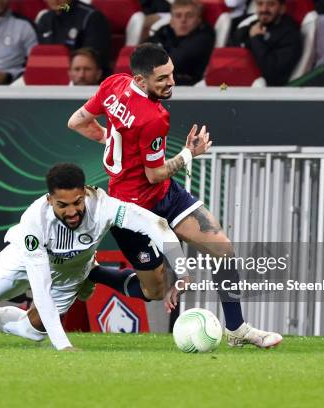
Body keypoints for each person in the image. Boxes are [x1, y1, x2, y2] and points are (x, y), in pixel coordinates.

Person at [67, 43, 282, 349]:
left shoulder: (113, 83)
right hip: (132, 211)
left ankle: (237, 329)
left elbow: (76, 122)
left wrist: (111, 140)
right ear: (141, 81)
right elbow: (154, 173)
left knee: (221, 247)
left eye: (171, 74)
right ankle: (94, 273)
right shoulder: (154, 117)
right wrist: (189, 153)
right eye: (162, 79)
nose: (171, 83)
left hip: (166, 196)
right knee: (154, 291)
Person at [0, 163, 188, 350]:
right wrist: (65, 345)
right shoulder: (34, 222)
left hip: (70, 272)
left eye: (77, 202)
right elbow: (39, 288)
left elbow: (157, 225)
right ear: (49, 199)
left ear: (85, 192)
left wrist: (184, 272)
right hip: (26, 260)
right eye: (62, 205)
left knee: (34, 332)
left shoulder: (105, 206)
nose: (72, 211)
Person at [233, 0, 302, 86]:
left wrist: (256, 39)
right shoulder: (252, 26)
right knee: (220, 85)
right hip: (236, 82)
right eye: (260, 4)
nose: (264, 9)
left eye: (271, 4)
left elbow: (272, 73)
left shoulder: (290, 35)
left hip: (263, 92)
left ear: (282, 8)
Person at [147, 0, 215, 86]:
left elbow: (177, 60)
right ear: (171, 21)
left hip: (190, 86)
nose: (183, 20)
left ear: (198, 20)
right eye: (178, 16)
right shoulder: (163, 32)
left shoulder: (204, 36)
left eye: (189, 16)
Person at [36, 0, 111, 74]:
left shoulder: (91, 16)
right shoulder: (44, 19)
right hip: (49, 75)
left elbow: (94, 58)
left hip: (83, 80)